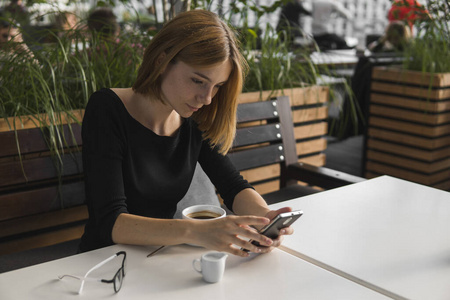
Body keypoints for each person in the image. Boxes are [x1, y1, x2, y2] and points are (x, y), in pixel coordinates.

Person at [79, 10, 293, 257]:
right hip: (103, 264)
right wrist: (196, 231)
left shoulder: (193, 117)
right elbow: (109, 221)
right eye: (198, 81)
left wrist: (265, 218)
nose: (207, 98)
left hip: (159, 258)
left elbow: (233, 185)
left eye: (217, 86)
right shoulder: (106, 108)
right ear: (162, 61)